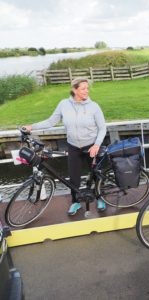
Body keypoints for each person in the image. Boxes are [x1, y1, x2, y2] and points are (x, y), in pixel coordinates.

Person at [24, 78, 107, 216]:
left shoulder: (94, 107)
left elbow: (102, 128)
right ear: (74, 90)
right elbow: (51, 121)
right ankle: (75, 202)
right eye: (83, 88)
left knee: (97, 175)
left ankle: (100, 198)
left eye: (87, 88)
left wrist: (97, 145)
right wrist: (32, 127)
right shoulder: (64, 104)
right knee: (74, 178)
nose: (87, 91)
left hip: (91, 147)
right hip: (73, 147)